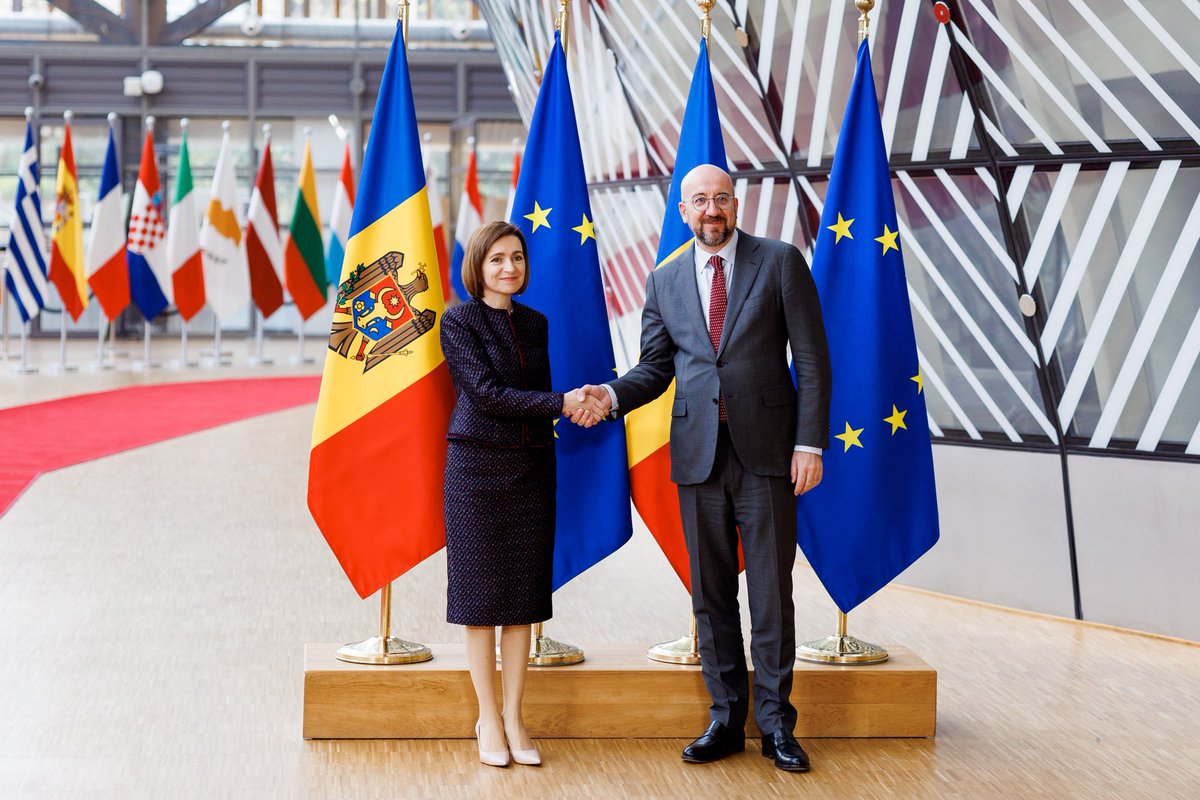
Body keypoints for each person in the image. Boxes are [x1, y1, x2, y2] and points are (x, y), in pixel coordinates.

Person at [577, 164, 832, 772]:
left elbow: (814, 360)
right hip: (697, 457)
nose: (711, 209)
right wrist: (609, 397)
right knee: (710, 596)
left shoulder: (780, 262)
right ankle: (725, 718)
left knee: (771, 593)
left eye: (721, 198)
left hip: (770, 454)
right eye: (699, 201)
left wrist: (810, 444)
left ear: (735, 205)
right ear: (683, 210)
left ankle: (775, 726)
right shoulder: (664, 280)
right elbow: (654, 369)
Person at [440, 220, 604, 768]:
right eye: (497, 259)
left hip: (533, 469)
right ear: (478, 267)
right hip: (476, 473)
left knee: (523, 604)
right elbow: (485, 394)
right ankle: (487, 717)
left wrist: (573, 407)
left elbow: (534, 394)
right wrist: (564, 403)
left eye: (517, 257)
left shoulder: (535, 322)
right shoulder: (458, 320)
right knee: (480, 605)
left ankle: (515, 715)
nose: (510, 267)